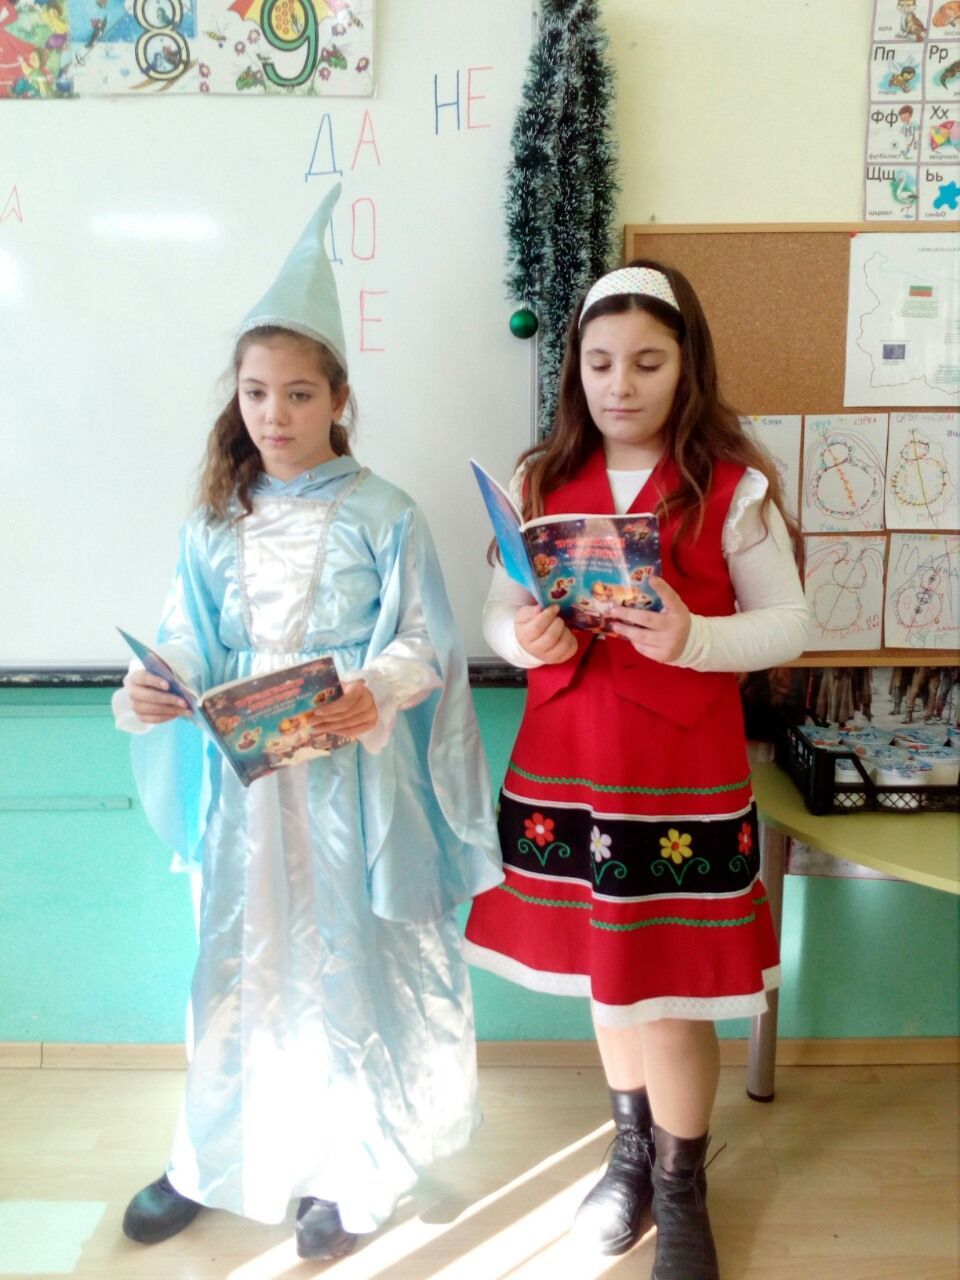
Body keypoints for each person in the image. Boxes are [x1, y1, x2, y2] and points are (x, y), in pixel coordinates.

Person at [112, 184, 502, 1260]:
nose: (273, 415)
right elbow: (187, 635)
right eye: (254, 392)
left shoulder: (385, 512)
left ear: (338, 398)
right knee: (237, 967)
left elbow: (424, 640)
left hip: (348, 786)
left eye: (296, 393)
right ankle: (212, 1157)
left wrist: (376, 686)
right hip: (245, 794)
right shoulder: (212, 520)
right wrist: (156, 682)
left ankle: (346, 1168)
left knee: (344, 964)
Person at [464, 262, 808, 1280]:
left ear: (688, 365)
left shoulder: (733, 487)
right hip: (567, 765)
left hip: (678, 775)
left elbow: (791, 624)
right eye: (601, 361)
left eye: (649, 363)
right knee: (606, 975)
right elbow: (497, 607)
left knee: (668, 990)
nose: (621, 384)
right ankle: (629, 1152)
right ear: (575, 368)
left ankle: (680, 1179)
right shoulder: (540, 477)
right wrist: (522, 638)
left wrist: (695, 637)